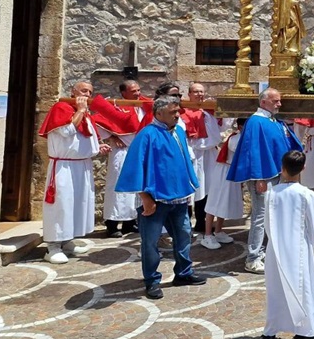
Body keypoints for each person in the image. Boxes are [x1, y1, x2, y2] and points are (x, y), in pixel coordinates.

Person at [115, 95, 206, 299]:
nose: (178, 114)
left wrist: (187, 190)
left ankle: (183, 273)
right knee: (150, 242)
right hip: (155, 201)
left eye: (178, 110)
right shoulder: (146, 135)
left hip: (178, 199)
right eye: (173, 112)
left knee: (183, 237)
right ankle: (152, 281)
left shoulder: (179, 132)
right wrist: (145, 198)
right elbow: (135, 167)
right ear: (159, 113)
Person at [226, 88, 303, 273]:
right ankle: (252, 257)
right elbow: (254, 151)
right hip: (263, 177)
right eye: (276, 101)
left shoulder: (273, 121)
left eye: (279, 100)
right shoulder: (255, 122)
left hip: (277, 174)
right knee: (259, 217)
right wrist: (259, 178)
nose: (279, 104)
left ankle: (267, 251)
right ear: (263, 102)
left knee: (272, 215)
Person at [40, 81, 109, 264]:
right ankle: (52, 247)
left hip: (81, 166)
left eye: (90, 92)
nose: (87, 94)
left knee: (77, 204)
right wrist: (79, 110)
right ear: (73, 91)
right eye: (83, 90)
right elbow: (67, 131)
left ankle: (67, 240)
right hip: (63, 167)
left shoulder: (85, 114)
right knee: (60, 204)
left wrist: (97, 147)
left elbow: (83, 139)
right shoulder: (61, 107)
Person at [258, 150, 314, 339]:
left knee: (276, 292)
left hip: (275, 250)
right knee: (304, 290)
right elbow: (311, 226)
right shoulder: (307, 194)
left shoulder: (271, 193)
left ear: (282, 168)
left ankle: (269, 334)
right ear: (303, 168)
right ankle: (304, 335)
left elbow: (267, 225)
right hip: (300, 249)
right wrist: (309, 245)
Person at [91, 80, 147, 238]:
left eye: (138, 90)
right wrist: (112, 136)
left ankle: (130, 222)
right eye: (133, 91)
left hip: (137, 152)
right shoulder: (117, 107)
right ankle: (112, 223)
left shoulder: (142, 107)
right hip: (121, 152)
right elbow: (97, 123)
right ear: (124, 93)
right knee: (116, 187)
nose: (137, 93)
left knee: (134, 189)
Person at [183, 82, 222, 234]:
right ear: (190, 94)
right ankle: (186, 225)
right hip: (194, 154)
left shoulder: (209, 112)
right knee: (192, 190)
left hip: (209, 154)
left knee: (207, 189)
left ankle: (201, 221)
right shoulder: (183, 113)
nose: (200, 94)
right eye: (196, 92)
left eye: (202, 92)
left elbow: (221, 127)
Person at [204, 117, 246, 248]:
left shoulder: (243, 138)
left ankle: (218, 231)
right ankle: (207, 235)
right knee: (214, 202)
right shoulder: (236, 139)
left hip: (232, 173)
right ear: (240, 127)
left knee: (225, 203)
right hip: (223, 171)